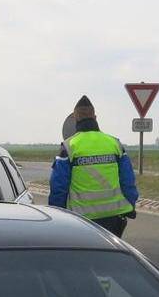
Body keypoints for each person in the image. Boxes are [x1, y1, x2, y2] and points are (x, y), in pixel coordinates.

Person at [48, 95, 139, 237]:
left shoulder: (69, 146)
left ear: (76, 119)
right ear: (95, 118)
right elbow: (128, 180)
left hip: (81, 220)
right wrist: (130, 205)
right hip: (114, 217)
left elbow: (59, 187)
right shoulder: (114, 143)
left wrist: (57, 215)